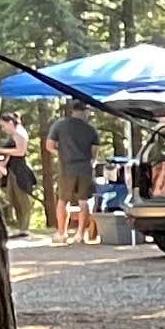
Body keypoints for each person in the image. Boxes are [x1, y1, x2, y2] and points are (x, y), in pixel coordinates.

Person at [47, 96, 99, 237]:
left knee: (63, 200)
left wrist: (61, 153)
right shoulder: (90, 129)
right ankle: (80, 234)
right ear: (85, 111)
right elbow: (94, 152)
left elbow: (49, 145)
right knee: (83, 201)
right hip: (85, 168)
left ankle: (61, 233)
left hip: (67, 167)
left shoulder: (59, 125)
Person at [0, 113, 37, 234]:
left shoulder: (19, 133)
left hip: (19, 170)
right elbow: (9, 155)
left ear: (10, 123)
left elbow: (20, 151)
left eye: (4, 126)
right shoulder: (13, 136)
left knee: (22, 199)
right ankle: (21, 226)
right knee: (13, 197)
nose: (3, 129)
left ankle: (25, 227)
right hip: (11, 169)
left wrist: (0, 150)